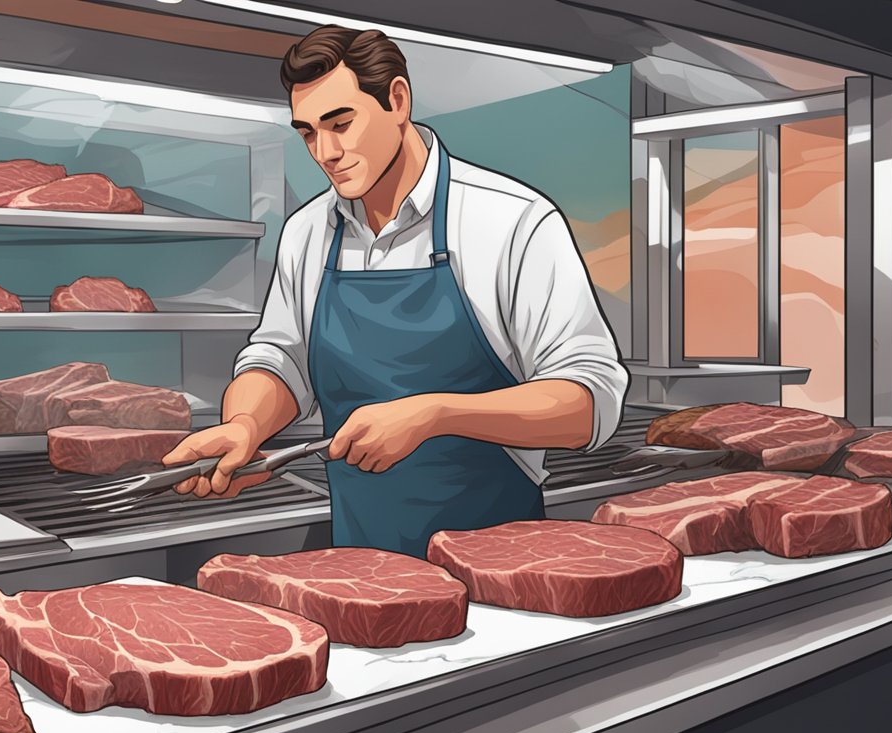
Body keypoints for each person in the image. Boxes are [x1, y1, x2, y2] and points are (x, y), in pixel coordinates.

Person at [162, 24, 628, 558]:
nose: (326, 152)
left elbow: (588, 401)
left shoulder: (512, 220)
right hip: (365, 564)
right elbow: (281, 360)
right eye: (308, 133)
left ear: (398, 100)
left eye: (341, 124)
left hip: (504, 560)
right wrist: (246, 426)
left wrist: (434, 415)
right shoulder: (309, 231)